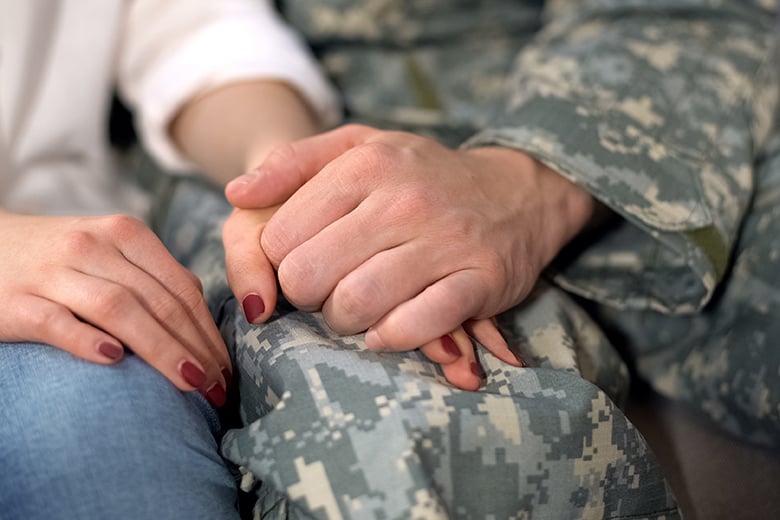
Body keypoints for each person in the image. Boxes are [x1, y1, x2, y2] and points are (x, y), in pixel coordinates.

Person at [160, 0, 777, 517]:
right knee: (405, 453)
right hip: (297, 144)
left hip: (657, 110)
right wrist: (290, 175)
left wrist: (526, 183)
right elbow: (185, 37)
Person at [0, 1, 511, 517]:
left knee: (111, 430)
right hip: (52, 274)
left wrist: (285, 176)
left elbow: (193, 35)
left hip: (71, 262)